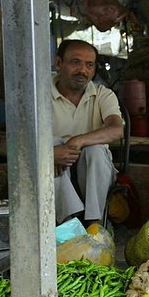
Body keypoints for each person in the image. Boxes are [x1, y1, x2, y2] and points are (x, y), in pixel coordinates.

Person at [52, 40, 123, 226]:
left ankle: (95, 225)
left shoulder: (102, 94)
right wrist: (49, 154)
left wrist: (79, 141)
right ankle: (70, 226)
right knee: (51, 145)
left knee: (95, 149)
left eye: (89, 65)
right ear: (59, 63)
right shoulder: (40, 94)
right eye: (75, 62)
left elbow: (116, 129)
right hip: (56, 174)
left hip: (96, 172)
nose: (82, 70)